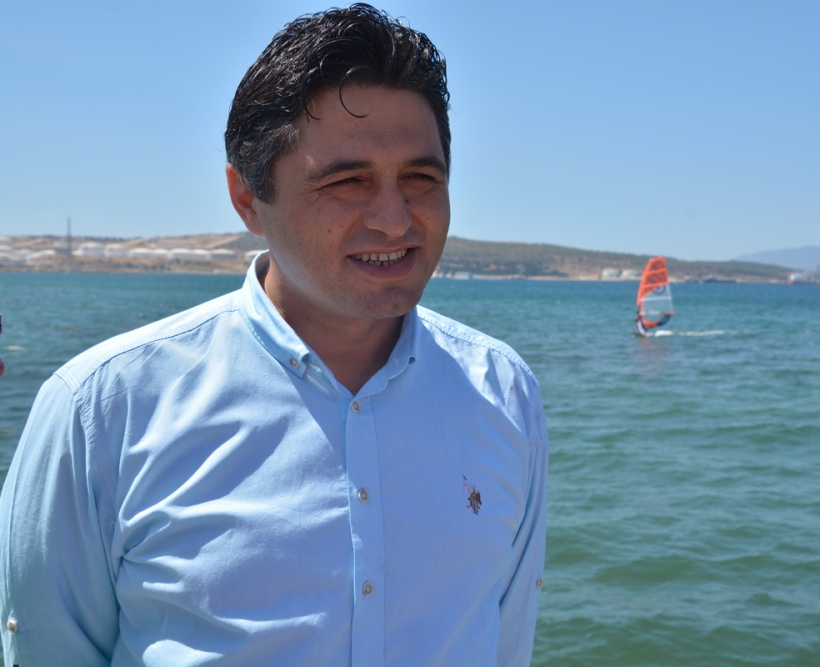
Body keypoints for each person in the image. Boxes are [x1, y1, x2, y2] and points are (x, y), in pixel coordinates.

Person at [0, 5, 547, 666]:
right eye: (347, 181)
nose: (394, 218)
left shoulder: (504, 394)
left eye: (421, 178)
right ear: (247, 199)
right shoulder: (101, 411)